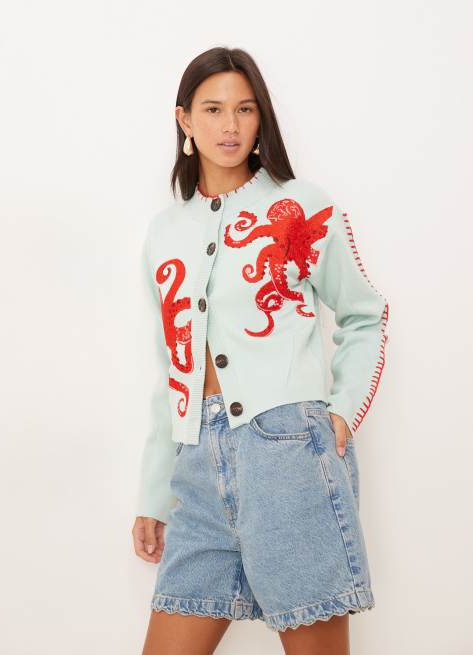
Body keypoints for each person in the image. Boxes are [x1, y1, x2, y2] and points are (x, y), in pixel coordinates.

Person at [133, 46, 389, 654]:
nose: (230, 126)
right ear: (184, 119)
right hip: (197, 468)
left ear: (261, 118)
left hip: (288, 454)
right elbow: (174, 366)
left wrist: (339, 414)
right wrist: (155, 494)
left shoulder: (301, 206)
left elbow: (364, 315)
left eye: (245, 109)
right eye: (213, 109)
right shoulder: (165, 232)